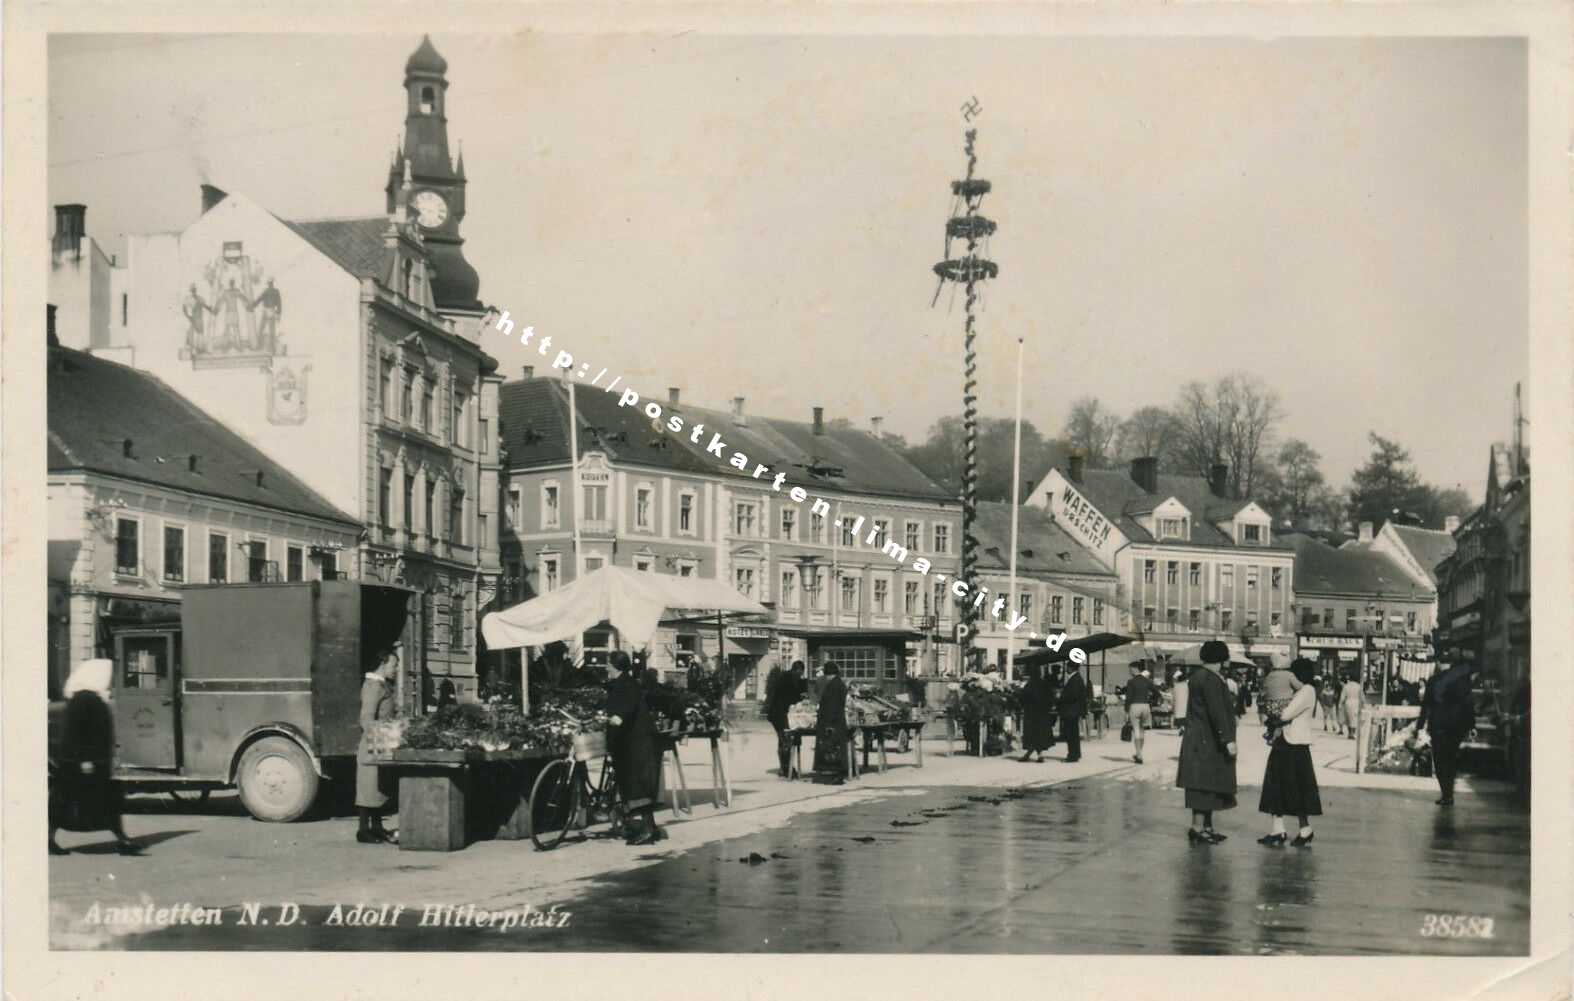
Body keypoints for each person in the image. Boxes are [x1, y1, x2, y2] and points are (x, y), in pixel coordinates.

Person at [50, 659, 141, 856]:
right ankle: (122, 840)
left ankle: (122, 839)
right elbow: (76, 733)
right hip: (82, 763)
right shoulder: (84, 700)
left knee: (103, 802)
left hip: (92, 762)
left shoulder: (90, 698)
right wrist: (85, 760)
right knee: (71, 802)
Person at [1176, 640, 1239, 844]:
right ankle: (1198, 828)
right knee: (1205, 784)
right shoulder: (1211, 679)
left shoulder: (1197, 677)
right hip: (1208, 739)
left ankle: (1206, 826)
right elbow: (1217, 712)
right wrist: (1227, 739)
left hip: (1199, 737)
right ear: (1220, 658)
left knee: (1207, 783)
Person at [1258, 658, 1323, 847]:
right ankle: (1295, 829)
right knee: (1290, 787)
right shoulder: (1303, 690)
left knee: (1283, 785)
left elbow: (1286, 714)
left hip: (1292, 743)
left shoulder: (1306, 691)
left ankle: (1289, 830)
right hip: (1291, 743)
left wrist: (1274, 713)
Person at [606, 651, 666, 845]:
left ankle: (648, 830)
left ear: (615, 666)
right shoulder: (623, 682)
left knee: (638, 785)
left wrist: (617, 717)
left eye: (608, 664)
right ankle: (650, 827)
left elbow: (626, 709)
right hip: (633, 741)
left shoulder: (627, 684)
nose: (606, 667)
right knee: (635, 784)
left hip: (638, 742)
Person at [1417, 660, 1476, 806]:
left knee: (1440, 760)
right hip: (1456, 726)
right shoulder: (1462, 682)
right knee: (1451, 759)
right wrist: (1471, 725)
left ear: (1438, 664)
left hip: (1438, 726)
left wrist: (1420, 725)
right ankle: (1449, 792)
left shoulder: (1434, 680)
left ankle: (1446, 793)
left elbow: (1426, 705)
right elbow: (1468, 704)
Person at [355, 647, 399, 844]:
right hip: (373, 743)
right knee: (368, 788)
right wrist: (378, 741)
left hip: (380, 742)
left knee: (378, 789)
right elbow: (366, 718)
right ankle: (363, 831)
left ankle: (377, 827)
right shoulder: (373, 686)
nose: (396, 669)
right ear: (383, 664)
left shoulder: (382, 685)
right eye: (393, 665)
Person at [766, 660, 809, 778]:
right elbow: (788, 698)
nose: (800, 675)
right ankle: (786, 769)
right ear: (797, 670)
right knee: (785, 739)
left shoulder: (789, 678)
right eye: (800, 673)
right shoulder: (787, 679)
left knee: (783, 740)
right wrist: (800, 697)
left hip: (779, 712)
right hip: (779, 713)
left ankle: (785, 767)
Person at [812, 662, 850, 783]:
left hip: (832, 723)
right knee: (836, 749)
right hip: (837, 721)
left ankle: (835, 776)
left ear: (828, 673)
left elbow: (832, 706)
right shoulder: (839, 683)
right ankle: (836, 774)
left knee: (832, 749)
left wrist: (828, 724)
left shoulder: (833, 685)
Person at [1257, 656, 1301, 745]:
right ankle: (1275, 736)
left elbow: (1264, 690)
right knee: (1285, 721)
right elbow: (1299, 687)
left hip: (1270, 706)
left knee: (1274, 718)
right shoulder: (1289, 675)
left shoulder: (1269, 675)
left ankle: (1270, 731)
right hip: (1283, 705)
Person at [1019, 664, 1056, 763]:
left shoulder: (1029, 685)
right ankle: (1037, 755)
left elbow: (1022, 698)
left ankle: (1032, 755)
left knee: (1031, 735)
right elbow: (1051, 698)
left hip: (1031, 714)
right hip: (1042, 714)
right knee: (1039, 735)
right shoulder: (1045, 684)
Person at [1123, 664, 1156, 764]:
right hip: (1145, 706)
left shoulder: (1131, 682)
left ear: (1134, 669)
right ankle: (1139, 753)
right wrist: (1151, 701)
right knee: (1142, 731)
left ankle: (1139, 754)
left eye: (1130, 670)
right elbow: (1156, 692)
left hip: (1134, 706)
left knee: (1136, 730)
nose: (1129, 672)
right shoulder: (1147, 680)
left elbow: (1128, 698)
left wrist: (1126, 711)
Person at [1056, 663, 1088, 763]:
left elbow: (1072, 696)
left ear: (1071, 667)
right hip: (1074, 711)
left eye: (1067, 667)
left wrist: (1060, 697)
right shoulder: (1077, 678)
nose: (1065, 669)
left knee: (1071, 734)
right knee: (1073, 733)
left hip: (1071, 710)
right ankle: (1075, 754)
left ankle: (1072, 755)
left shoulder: (1075, 679)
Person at [1339, 672, 1364, 740]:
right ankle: (1353, 733)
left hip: (1348, 702)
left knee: (1348, 718)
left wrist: (1340, 704)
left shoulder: (1346, 686)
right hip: (1356, 702)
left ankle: (1350, 733)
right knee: (1355, 718)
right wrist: (1363, 704)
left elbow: (1342, 697)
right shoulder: (1358, 686)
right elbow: (1362, 696)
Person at [1171, 668, 1189, 738]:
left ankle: (1182, 728)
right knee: (1185, 717)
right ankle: (1183, 728)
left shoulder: (1175, 686)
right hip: (1186, 704)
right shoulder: (1187, 685)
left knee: (1180, 718)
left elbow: (1174, 696)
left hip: (1178, 704)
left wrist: (1173, 705)